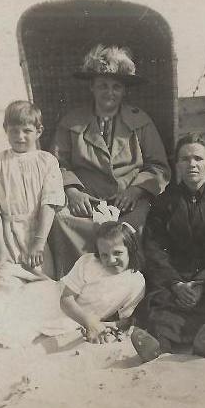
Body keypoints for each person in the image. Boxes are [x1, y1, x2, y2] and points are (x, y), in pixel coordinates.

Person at [0, 222, 145, 348]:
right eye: (104, 254)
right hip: (49, 301)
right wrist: (90, 321)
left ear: (130, 249)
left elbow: (125, 318)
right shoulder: (88, 263)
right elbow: (65, 299)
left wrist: (104, 325)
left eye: (117, 253)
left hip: (64, 321)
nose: (110, 260)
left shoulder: (136, 282)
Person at [50, 45, 171, 276]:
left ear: (124, 91)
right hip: (86, 201)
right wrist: (73, 191)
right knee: (61, 220)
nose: (110, 92)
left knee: (131, 231)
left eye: (116, 86)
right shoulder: (72, 121)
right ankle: (77, 288)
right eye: (103, 85)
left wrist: (136, 190)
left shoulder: (141, 121)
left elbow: (158, 166)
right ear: (92, 87)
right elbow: (55, 163)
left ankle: (128, 291)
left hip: (128, 203)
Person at [131, 133, 205, 361]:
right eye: (185, 159)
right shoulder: (163, 203)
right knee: (161, 307)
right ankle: (159, 346)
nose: (192, 164)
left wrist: (202, 283)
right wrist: (175, 284)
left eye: (198, 158)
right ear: (176, 165)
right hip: (175, 280)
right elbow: (154, 248)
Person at [0, 100, 65, 295]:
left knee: (42, 289)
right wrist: (0, 248)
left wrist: (38, 243)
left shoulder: (47, 161)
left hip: (36, 234)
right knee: (4, 286)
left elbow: (50, 202)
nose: (20, 137)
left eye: (26, 131)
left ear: (38, 131)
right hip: (2, 234)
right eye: (14, 131)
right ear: (5, 129)